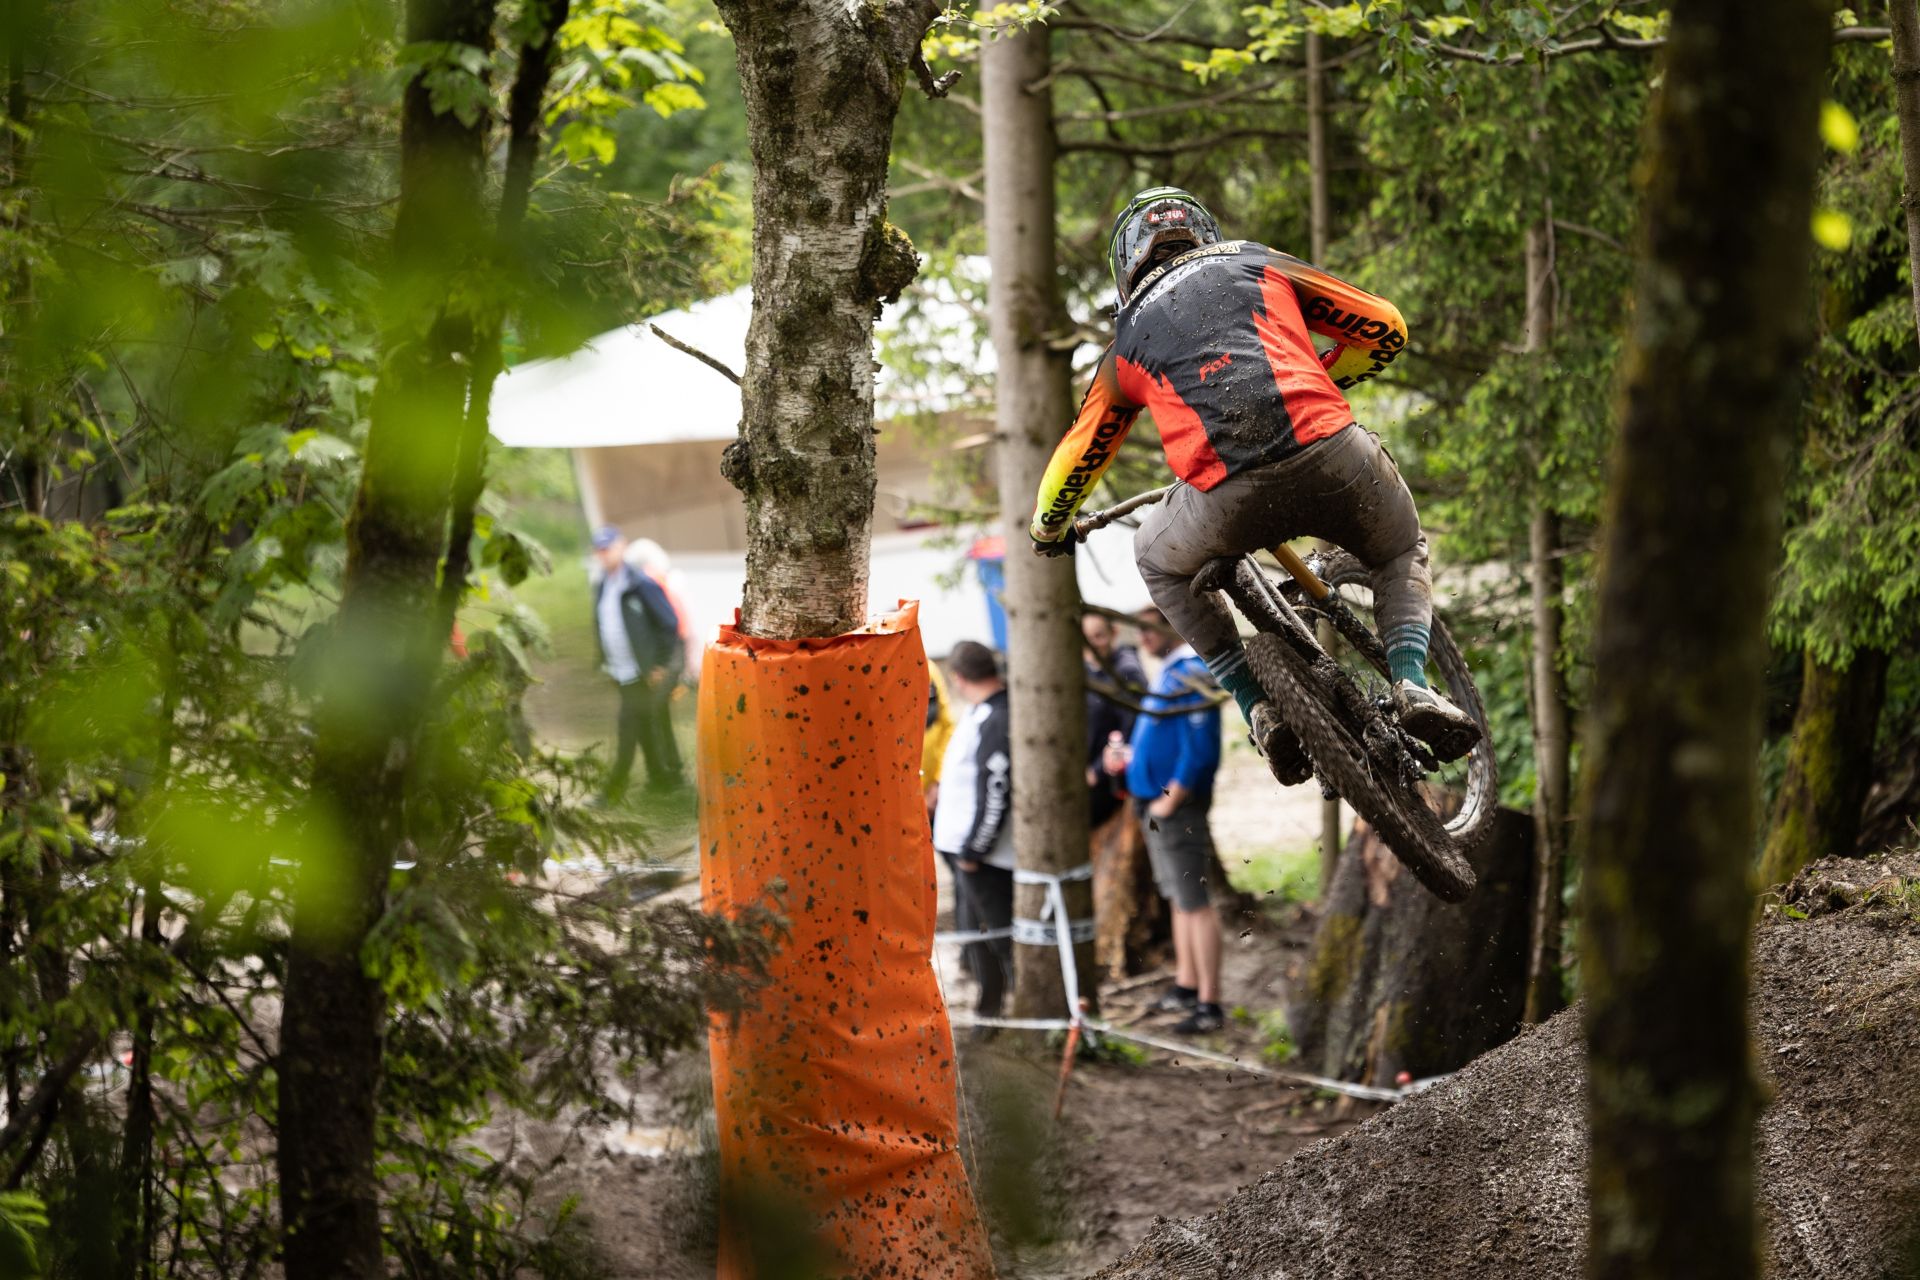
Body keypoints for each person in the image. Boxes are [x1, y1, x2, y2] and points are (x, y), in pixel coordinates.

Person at [1029, 186, 1481, 784]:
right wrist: (1324, 381)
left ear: (1126, 267)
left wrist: (1049, 527)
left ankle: (1257, 707)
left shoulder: (1128, 340)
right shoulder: (1256, 261)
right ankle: (1412, 682)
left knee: (1156, 560)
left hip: (1223, 498)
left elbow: (1078, 458)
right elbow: (1385, 327)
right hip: (1336, 456)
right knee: (1398, 550)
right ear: (1204, 234)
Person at [1104, 607, 1225, 1035]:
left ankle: (1209, 1003)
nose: (1143, 637)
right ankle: (1187, 985)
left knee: (1194, 901)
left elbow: (1201, 748)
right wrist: (1129, 759)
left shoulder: (1192, 672)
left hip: (1175, 810)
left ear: (1172, 625)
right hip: (1153, 807)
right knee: (1178, 897)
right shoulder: (1169, 672)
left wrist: (1172, 800)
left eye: (1150, 628)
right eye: (1138, 631)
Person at [930, 641, 1015, 1021]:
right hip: (966, 851)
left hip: (984, 857)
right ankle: (989, 1010)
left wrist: (974, 851)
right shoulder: (979, 713)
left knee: (998, 936)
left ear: (958, 678)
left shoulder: (997, 717)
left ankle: (1016, 1009)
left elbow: (996, 789)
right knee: (974, 934)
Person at [590, 525, 685, 799]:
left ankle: (612, 792)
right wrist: (605, 662)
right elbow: (602, 625)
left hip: (641, 673)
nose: (604, 554)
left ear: (622, 546)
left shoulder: (641, 583)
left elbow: (670, 623)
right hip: (619, 671)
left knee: (628, 727)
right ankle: (663, 780)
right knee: (645, 725)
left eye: (608, 548)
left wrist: (659, 665)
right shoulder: (603, 585)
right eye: (599, 550)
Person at [1082, 612, 1145, 829]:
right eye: (1086, 638)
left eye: (1098, 636)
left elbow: (1131, 732)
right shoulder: (1088, 670)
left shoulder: (1126, 673)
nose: (1092, 645)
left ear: (1114, 633)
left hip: (1113, 779)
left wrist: (1095, 772)